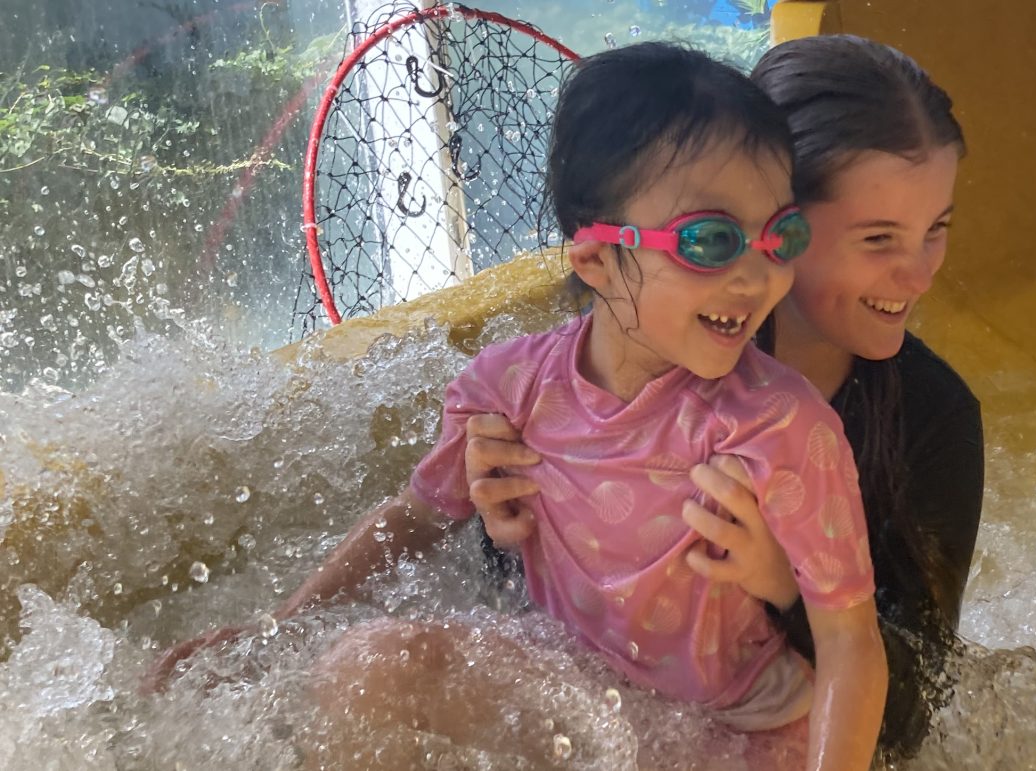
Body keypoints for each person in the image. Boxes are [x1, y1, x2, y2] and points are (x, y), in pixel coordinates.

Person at [147, 42, 887, 770]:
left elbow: (850, 642)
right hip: (576, 689)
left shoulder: (779, 425)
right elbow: (414, 517)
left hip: (732, 726)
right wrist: (281, 628)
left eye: (779, 237)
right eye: (712, 241)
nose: (757, 277)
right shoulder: (511, 391)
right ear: (596, 260)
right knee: (366, 668)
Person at [467, 34, 982, 760]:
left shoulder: (934, 417)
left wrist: (785, 587)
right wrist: (502, 514)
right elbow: (554, 597)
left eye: (937, 230)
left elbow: (919, 705)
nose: (920, 275)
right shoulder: (646, 331)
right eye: (878, 239)